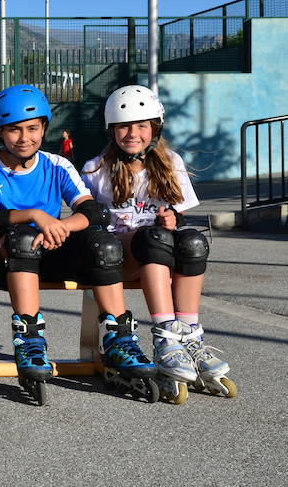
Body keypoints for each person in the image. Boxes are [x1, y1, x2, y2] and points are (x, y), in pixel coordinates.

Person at [0, 84, 157, 405]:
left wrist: (62, 225)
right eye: (14, 130)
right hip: (10, 255)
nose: (24, 138)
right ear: (0, 132)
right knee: (22, 237)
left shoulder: (56, 165)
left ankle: (120, 338)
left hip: (52, 251)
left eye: (33, 128)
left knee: (103, 244)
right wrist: (36, 215)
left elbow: (94, 212)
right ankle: (30, 339)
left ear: (45, 127)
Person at [81, 85, 235, 403]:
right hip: (116, 259)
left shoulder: (170, 162)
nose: (132, 133)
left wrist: (173, 220)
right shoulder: (96, 169)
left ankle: (188, 335)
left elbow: (178, 217)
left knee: (192, 242)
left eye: (141, 125)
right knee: (153, 238)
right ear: (112, 130)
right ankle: (166, 337)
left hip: (157, 252)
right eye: (124, 125)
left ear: (155, 128)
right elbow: (90, 225)